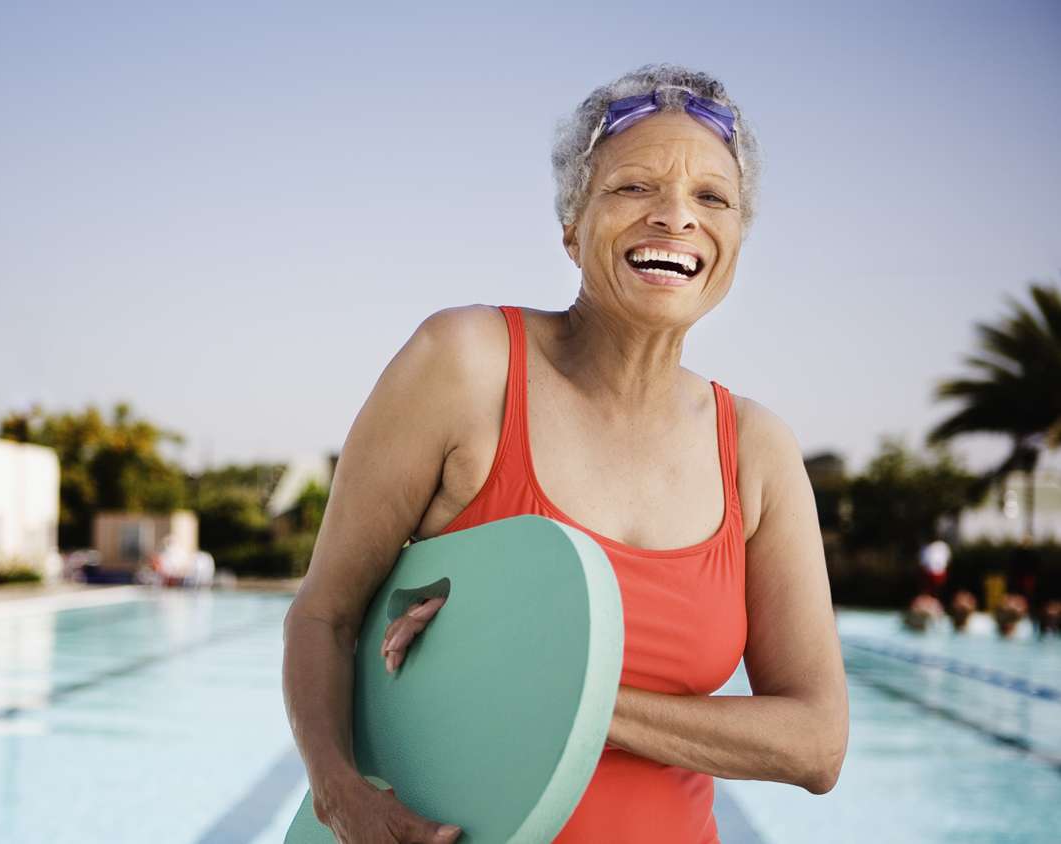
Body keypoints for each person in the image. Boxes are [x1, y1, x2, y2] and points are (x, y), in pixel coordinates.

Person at [281, 63, 849, 844]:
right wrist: (339, 796)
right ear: (572, 227)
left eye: (711, 198)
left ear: (734, 243)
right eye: (633, 188)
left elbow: (817, 744)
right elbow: (323, 614)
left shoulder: (757, 448)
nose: (675, 217)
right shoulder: (466, 364)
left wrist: (557, 694)